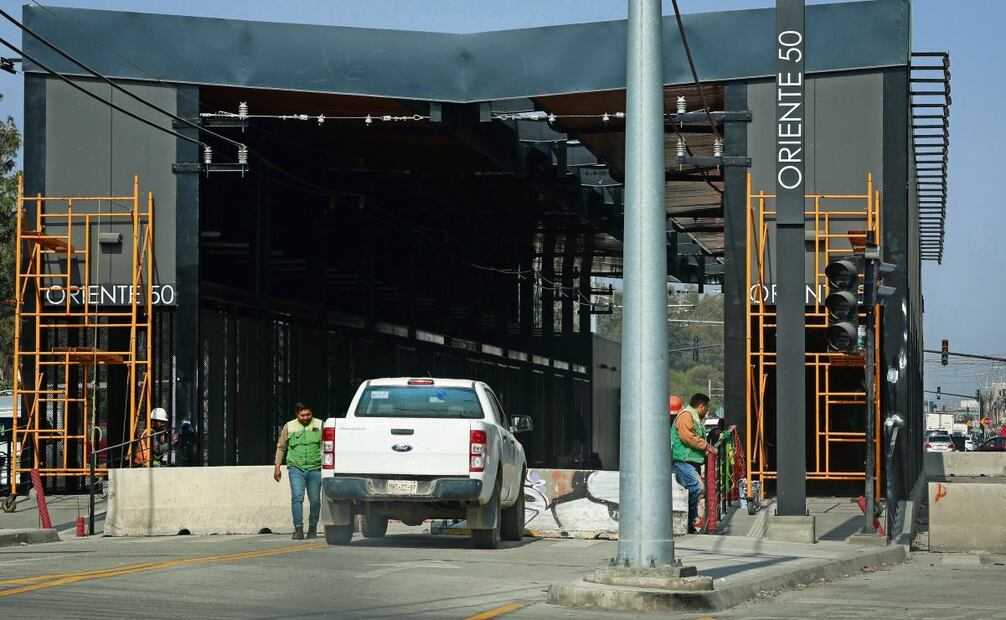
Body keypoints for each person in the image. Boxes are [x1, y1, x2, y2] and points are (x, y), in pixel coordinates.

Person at [274, 402, 323, 540]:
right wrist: (277, 466)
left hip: (315, 468)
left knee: (315, 501)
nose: (306, 417)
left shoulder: (320, 424)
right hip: (296, 468)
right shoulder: (289, 426)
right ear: (297, 415)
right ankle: (298, 529)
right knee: (297, 498)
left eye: (308, 414)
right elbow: (281, 447)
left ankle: (312, 527)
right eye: (302, 415)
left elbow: (327, 444)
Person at [671, 393, 717, 534]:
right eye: (706, 408)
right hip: (683, 461)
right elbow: (688, 437)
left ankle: (688, 522)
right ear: (701, 406)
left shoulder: (693, 417)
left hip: (689, 461)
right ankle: (689, 521)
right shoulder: (686, 416)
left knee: (692, 489)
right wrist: (707, 447)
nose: (707, 411)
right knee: (697, 487)